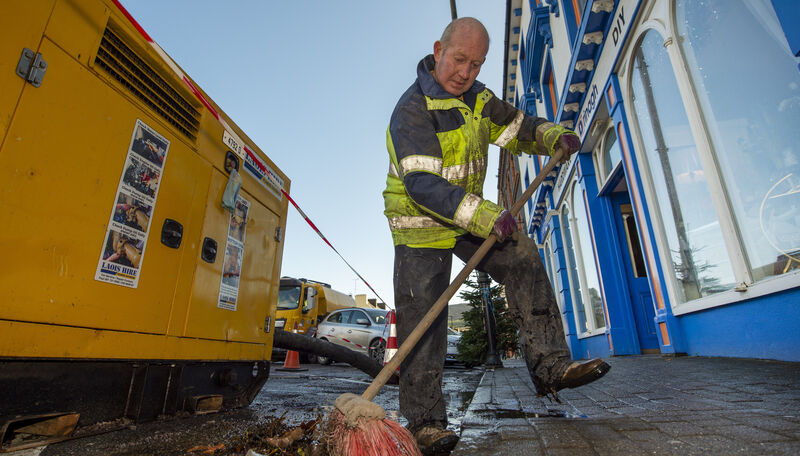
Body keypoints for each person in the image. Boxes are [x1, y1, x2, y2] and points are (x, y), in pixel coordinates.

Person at [382, 17, 610, 454]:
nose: (465, 72)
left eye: (476, 63)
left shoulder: (478, 100)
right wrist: (486, 215)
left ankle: (551, 367)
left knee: (522, 255)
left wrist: (554, 135)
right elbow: (423, 186)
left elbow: (518, 127)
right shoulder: (411, 111)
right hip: (421, 227)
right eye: (459, 59)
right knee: (424, 324)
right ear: (438, 50)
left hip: (468, 219)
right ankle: (427, 424)